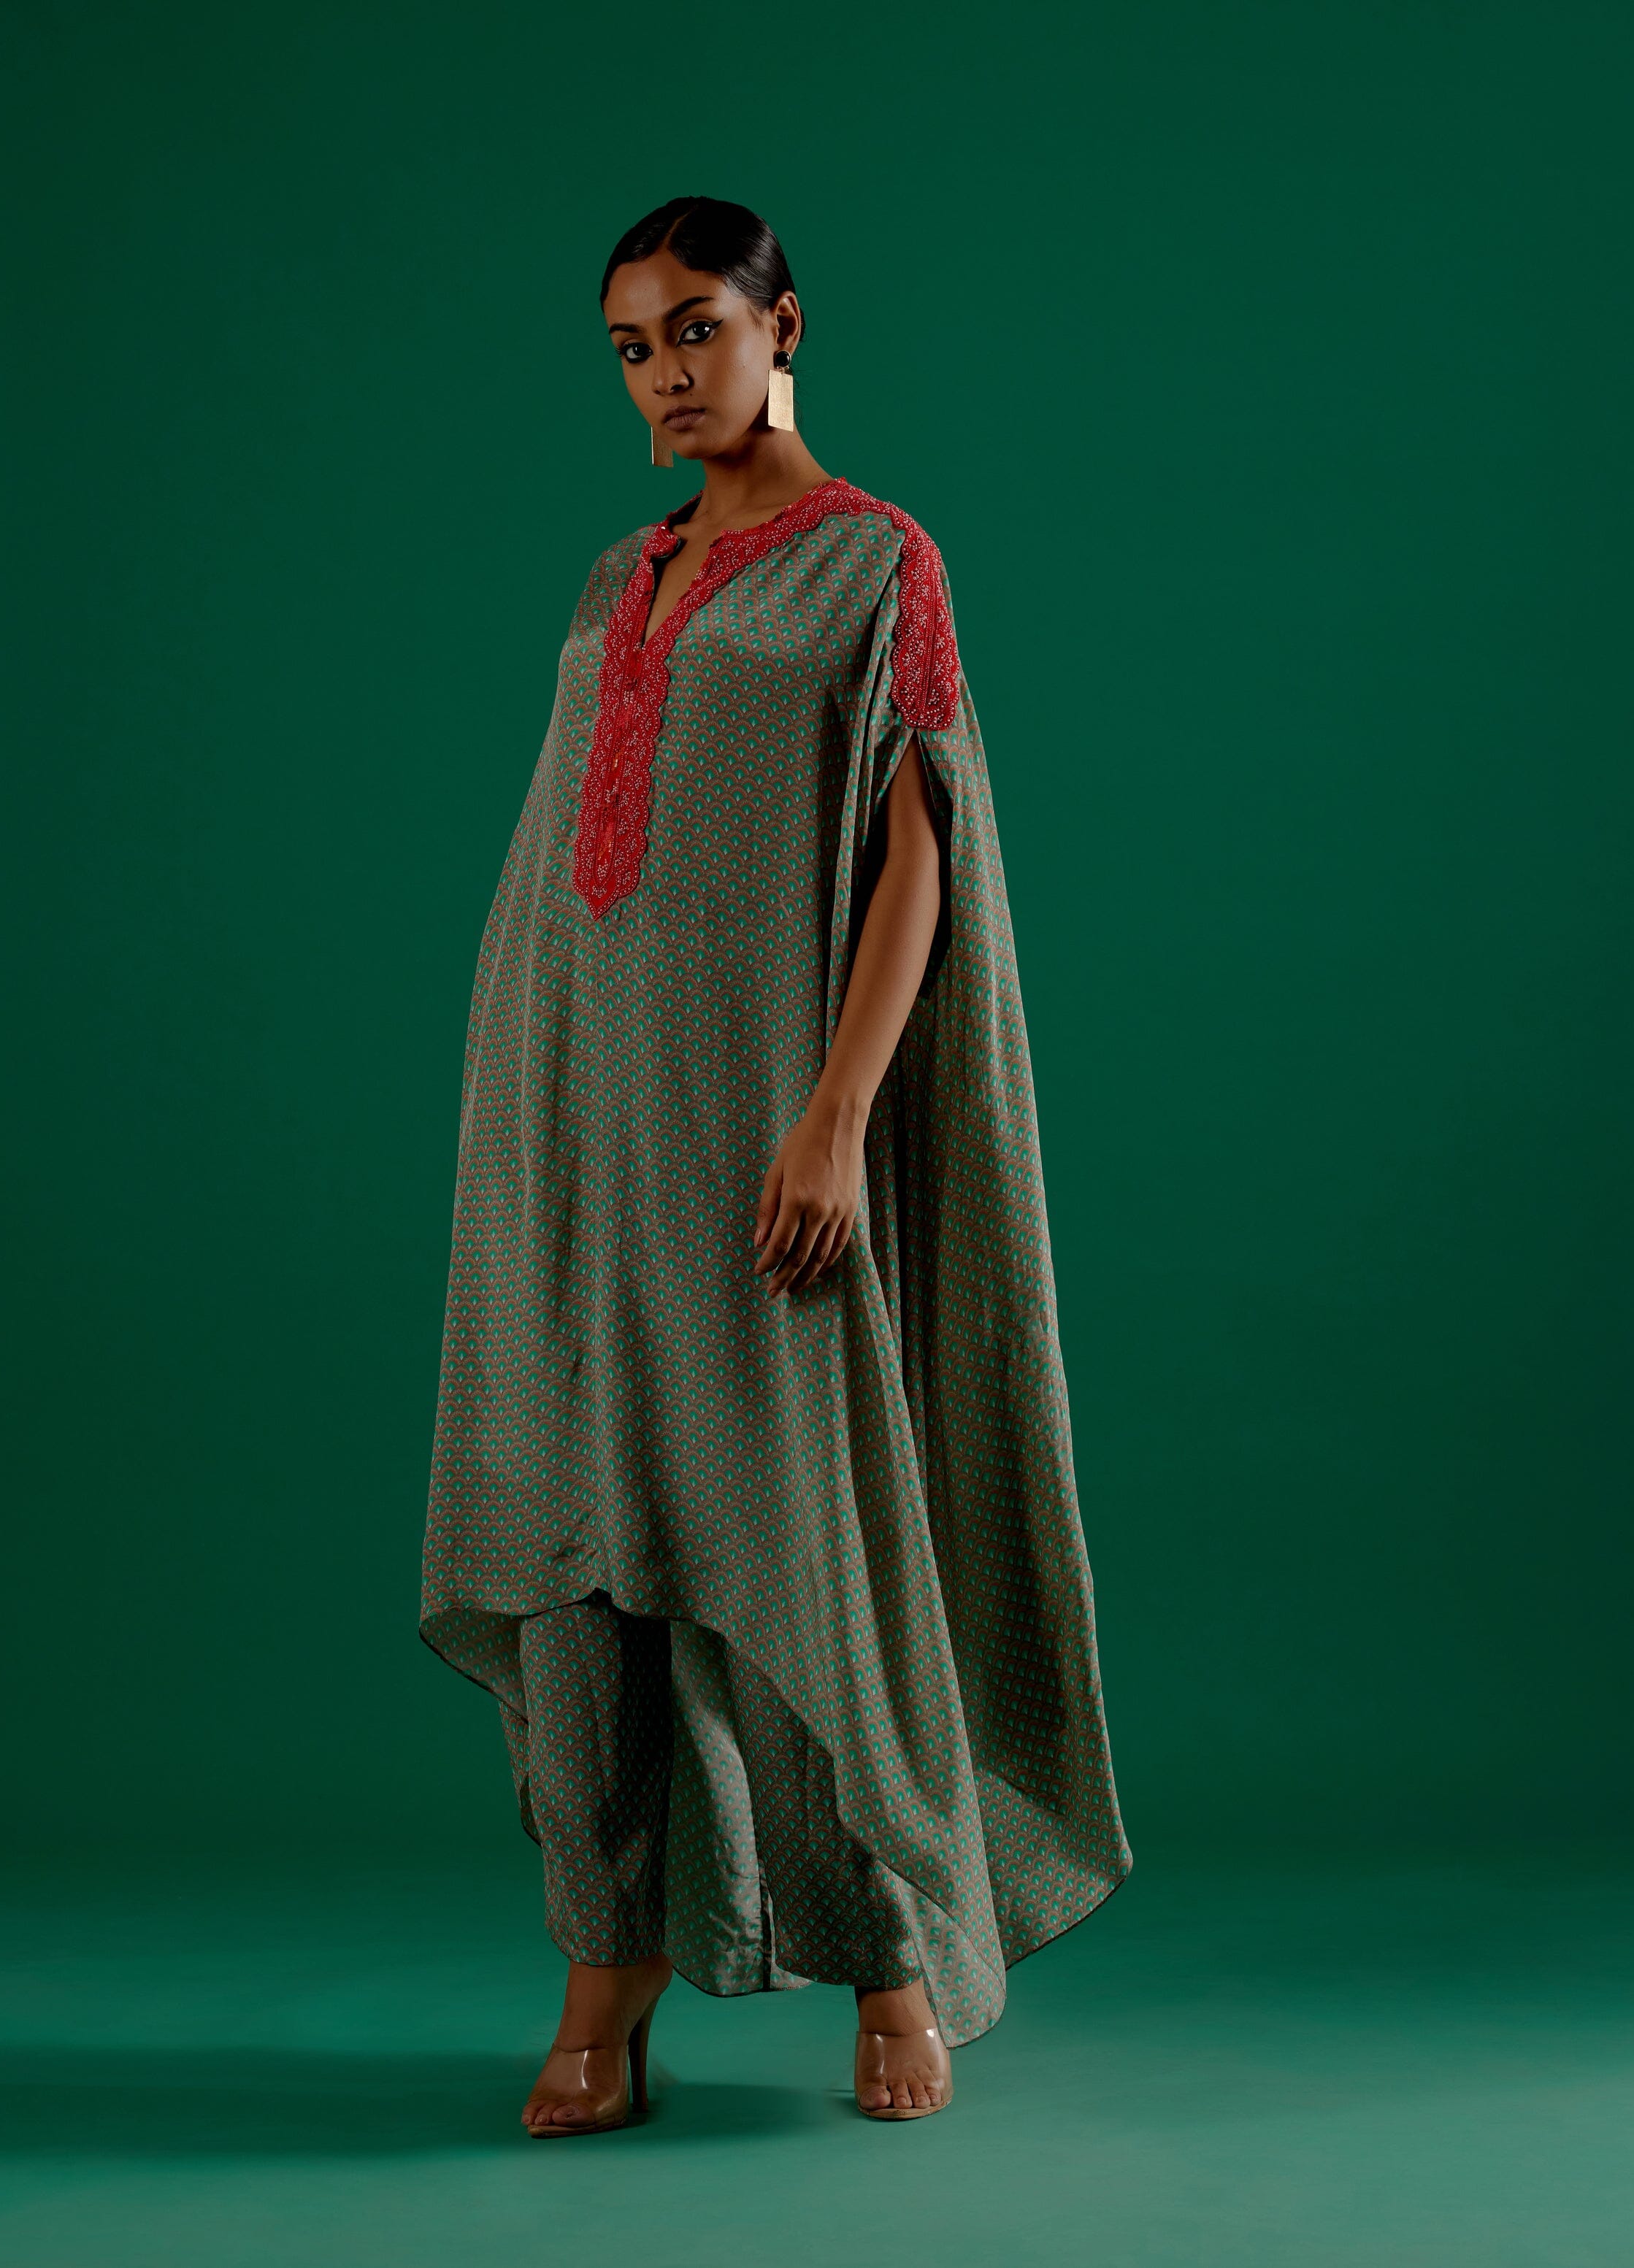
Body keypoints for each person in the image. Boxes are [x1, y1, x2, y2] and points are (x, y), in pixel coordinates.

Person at [419, 196, 1132, 2136]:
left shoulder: (875, 562)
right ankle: (605, 1962)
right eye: (629, 347)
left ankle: (886, 1951)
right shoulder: (618, 574)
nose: (662, 375)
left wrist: (833, 1112)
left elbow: (921, 849)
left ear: (781, 324)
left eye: (693, 330)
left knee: (794, 1528)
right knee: (578, 1542)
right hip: (573, 1126)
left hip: (761, 1122)